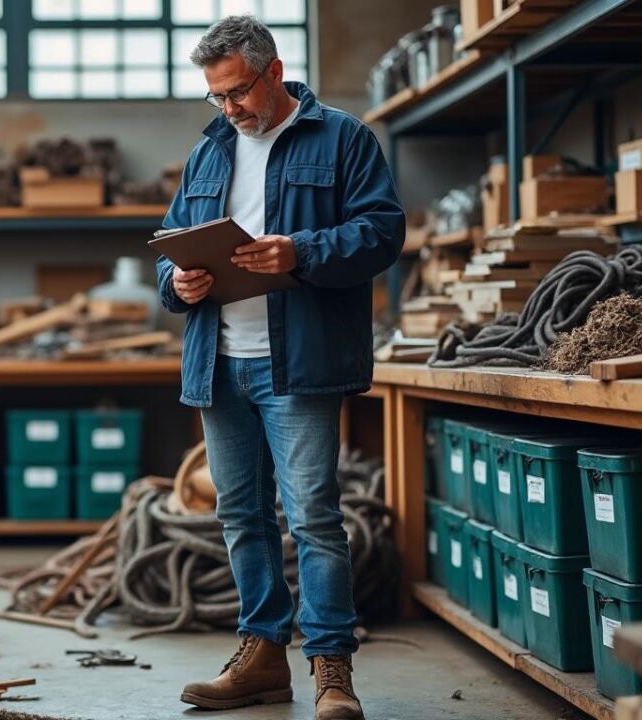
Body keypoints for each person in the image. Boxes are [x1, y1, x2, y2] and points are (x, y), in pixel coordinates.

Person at [156, 14, 405, 720]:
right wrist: (177, 285)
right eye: (216, 97)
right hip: (220, 361)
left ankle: (332, 668)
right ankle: (263, 656)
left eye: (237, 92)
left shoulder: (344, 138)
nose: (228, 108)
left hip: (298, 364)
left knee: (315, 519)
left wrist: (301, 251)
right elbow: (169, 252)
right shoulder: (208, 152)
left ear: (273, 71)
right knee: (241, 517)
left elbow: (383, 232)